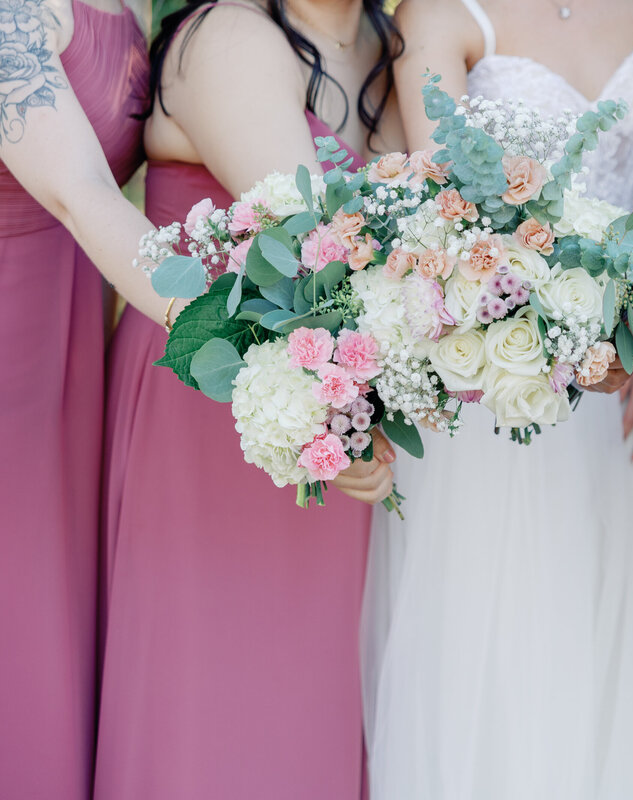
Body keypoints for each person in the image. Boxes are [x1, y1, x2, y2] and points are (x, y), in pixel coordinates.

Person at [360, 0, 633, 797]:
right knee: (515, 657)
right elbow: (448, 217)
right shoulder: (440, 15)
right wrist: (573, 344)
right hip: (503, 389)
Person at [93, 2, 402, 797]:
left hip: (333, 406)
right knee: (215, 698)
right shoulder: (231, 33)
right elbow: (310, 249)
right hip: (214, 403)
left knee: (308, 695)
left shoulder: (381, 38)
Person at [0, 0, 160, 795]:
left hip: (71, 355)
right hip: (10, 361)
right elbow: (82, 193)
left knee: (54, 636)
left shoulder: (131, 6)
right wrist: (248, 333)